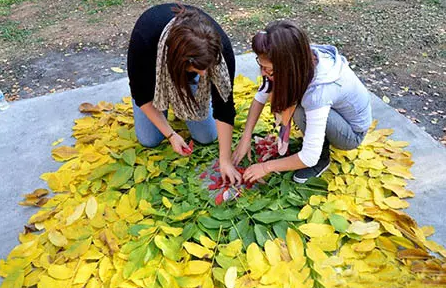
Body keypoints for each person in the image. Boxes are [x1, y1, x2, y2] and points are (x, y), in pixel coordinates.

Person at [232, 20, 372, 184]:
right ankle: (316, 138)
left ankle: (323, 158)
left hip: (351, 133)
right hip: (334, 114)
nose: (264, 73)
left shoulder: (318, 93)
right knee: (290, 99)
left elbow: (308, 157)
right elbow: (261, 95)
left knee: (300, 111)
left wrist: (264, 167)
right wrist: (246, 136)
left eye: (269, 70)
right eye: (261, 65)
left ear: (288, 67)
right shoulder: (299, 57)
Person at [128, 3, 241, 184]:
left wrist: (225, 160)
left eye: (207, 69)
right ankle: (170, 101)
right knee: (149, 139)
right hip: (155, 80)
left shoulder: (221, 49)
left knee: (207, 137)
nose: (205, 75)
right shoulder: (145, 39)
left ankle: (185, 98)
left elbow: (225, 106)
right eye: (198, 69)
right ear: (179, 61)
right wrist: (171, 135)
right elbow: (142, 95)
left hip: (185, 72)